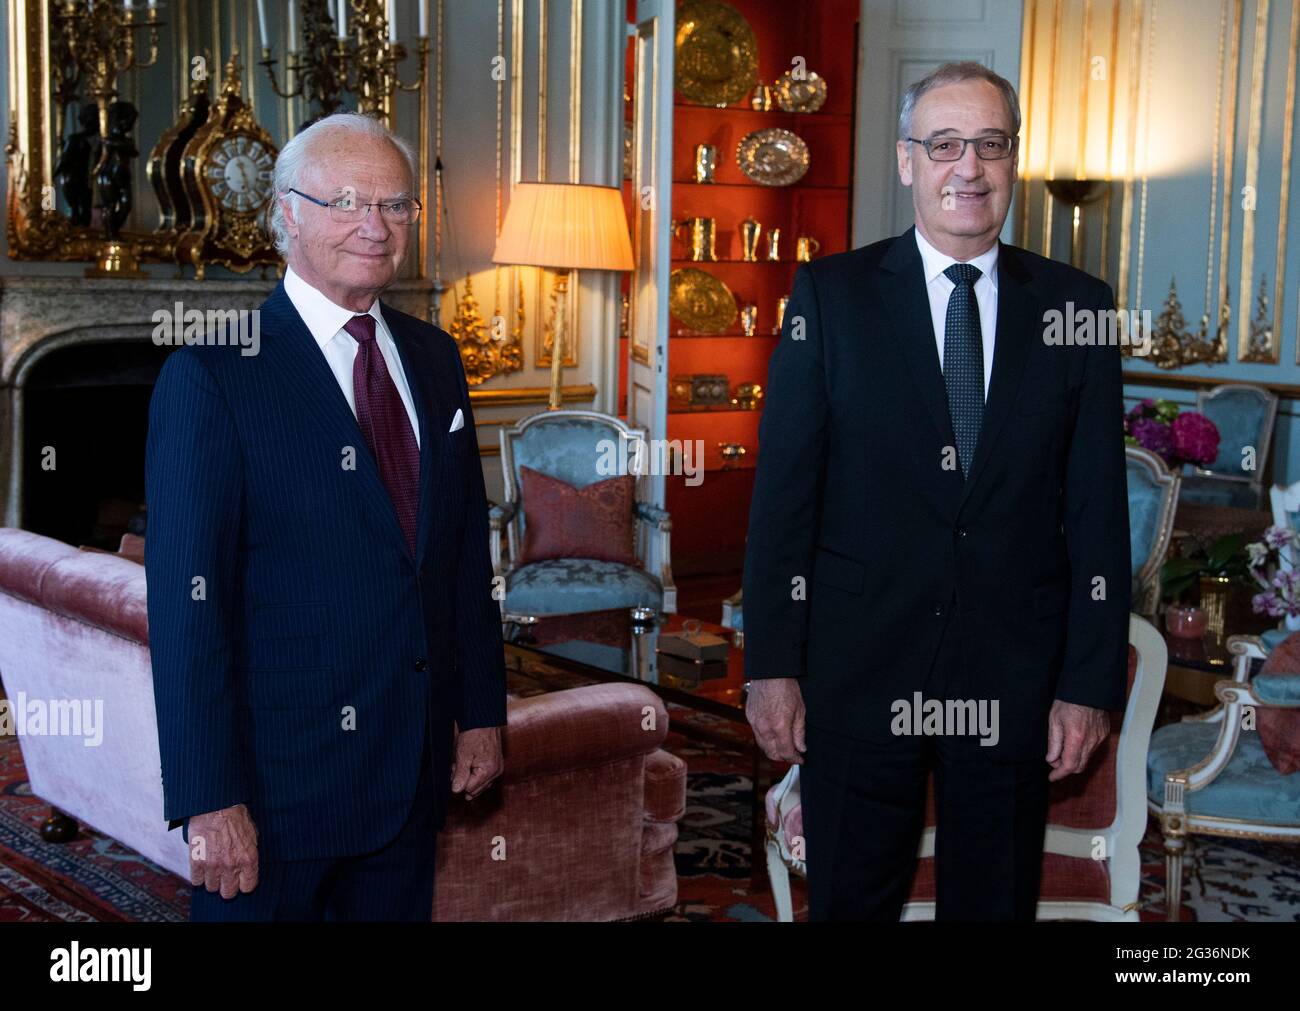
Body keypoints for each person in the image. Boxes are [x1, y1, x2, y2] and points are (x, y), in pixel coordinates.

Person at [741, 61, 1130, 921]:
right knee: (852, 904)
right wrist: (771, 666)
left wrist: (1089, 682)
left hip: (1012, 676)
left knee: (992, 907)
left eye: (990, 145)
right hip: (856, 668)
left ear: (1012, 162)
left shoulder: (1079, 307)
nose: (969, 167)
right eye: (945, 143)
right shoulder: (831, 297)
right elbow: (783, 505)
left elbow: (1099, 513)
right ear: (907, 160)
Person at [146, 112, 506, 921]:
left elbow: (461, 562)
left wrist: (480, 712)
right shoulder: (211, 373)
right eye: (346, 201)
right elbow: (185, 608)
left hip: (410, 777)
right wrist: (209, 798)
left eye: (396, 206)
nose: (374, 227)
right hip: (277, 795)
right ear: (287, 214)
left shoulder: (435, 358)